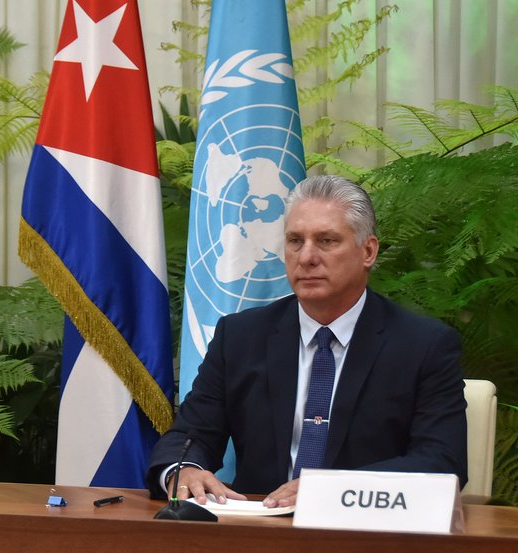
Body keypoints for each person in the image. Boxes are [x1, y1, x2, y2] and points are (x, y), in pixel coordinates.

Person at [146, 175, 467, 508]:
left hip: (367, 533)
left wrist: (331, 490)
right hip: (258, 535)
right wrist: (181, 470)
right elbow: (189, 437)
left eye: (326, 241)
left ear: (368, 251)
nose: (306, 256)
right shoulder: (240, 337)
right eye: (295, 241)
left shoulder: (423, 345)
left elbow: (441, 463)